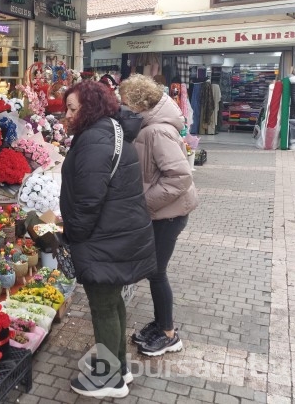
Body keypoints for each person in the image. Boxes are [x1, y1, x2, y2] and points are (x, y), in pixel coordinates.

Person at [60, 81, 156, 398]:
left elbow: (88, 201)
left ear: (89, 108)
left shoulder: (93, 141)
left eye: (72, 109)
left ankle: (109, 379)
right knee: (113, 302)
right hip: (117, 233)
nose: (66, 115)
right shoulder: (110, 129)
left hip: (104, 238)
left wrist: (73, 235)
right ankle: (120, 368)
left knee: (103, 306)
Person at [118, 74, 198, 356]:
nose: (123, 106)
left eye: (126, 101)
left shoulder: (156, 131)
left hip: (168, 215)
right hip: (163, 213)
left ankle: (168, 334)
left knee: (157, 272)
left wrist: (144, 203)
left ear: (139, 103)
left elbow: (179, 177)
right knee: (154, 272)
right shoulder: (151, 126)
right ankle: (161, 323)